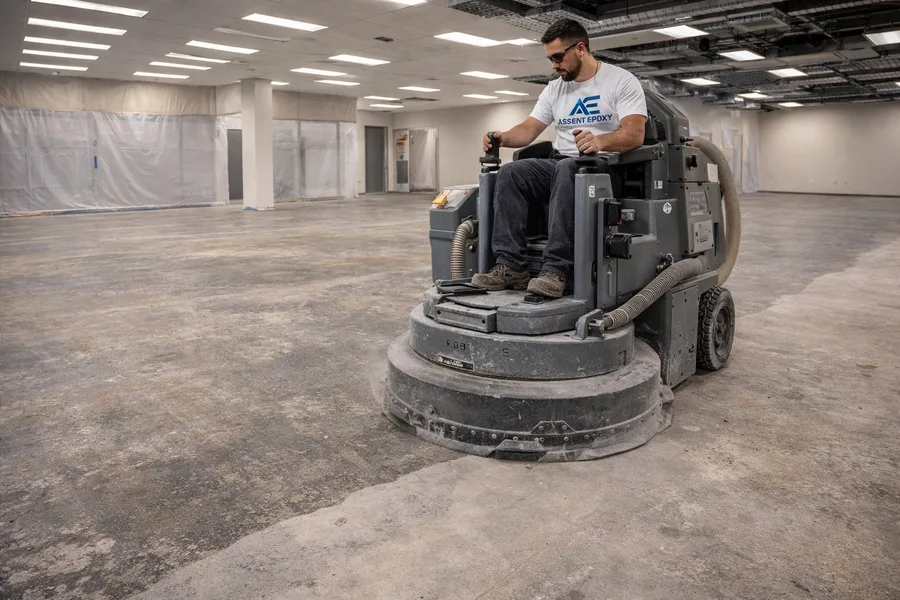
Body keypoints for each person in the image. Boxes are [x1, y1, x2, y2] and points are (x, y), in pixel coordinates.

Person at [471, 18, 648, 298]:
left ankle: (556, 269)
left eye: (557, 57)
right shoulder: (555, 89)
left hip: (603, 167)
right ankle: (511, 266)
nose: (554, 65)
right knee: (511, 173)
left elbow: (635, 134)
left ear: (580, 48)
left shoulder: (621, 81)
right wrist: (503, 138)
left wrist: (599, 141)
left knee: (567, 169)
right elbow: (529, 129)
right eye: (550, 59)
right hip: (561, 162)